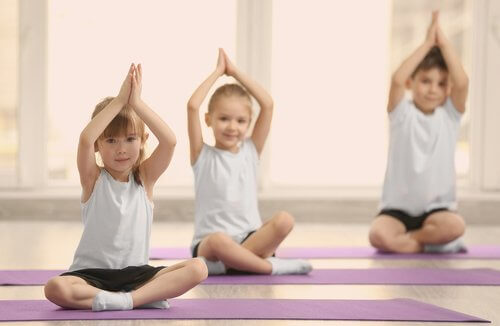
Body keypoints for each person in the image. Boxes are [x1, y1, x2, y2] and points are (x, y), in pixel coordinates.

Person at [44, 64, 207, 311]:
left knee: (198, 268)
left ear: (143, 142)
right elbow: (85, 139)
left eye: (130, 139)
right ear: (99, 145)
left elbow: (170, 141)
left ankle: (125, 301)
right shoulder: (93, 179)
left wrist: (137, 103)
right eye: (111, 140)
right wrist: (120, 100)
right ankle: (136, 299)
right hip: (90, 276)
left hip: (137, 276)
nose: (121, 149)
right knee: (55, 288)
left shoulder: (145, 178)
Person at [187, 48, 312, 275]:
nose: (232, 127)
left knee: (285, 220)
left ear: (249, 122)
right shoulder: (201, 155)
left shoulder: (250, 151)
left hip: (250, 236)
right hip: (210, 245)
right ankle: (269, 267)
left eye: (240, 120)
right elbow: (192, 106)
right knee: (219, 241)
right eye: (224, 119)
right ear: (209, 119)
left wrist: (235, 72)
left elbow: (268, 104)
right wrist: (217, 73)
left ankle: (231, 264)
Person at [369, 11, 468, 254]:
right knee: (378, 235)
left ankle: (412, 240)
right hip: (397, 212)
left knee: (455, 225)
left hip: (437, 211)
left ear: (448, 89)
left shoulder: (449, 116)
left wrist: (443, 44)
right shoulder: (401, 114)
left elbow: (463, 82)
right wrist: (426, 45)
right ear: (411, 84)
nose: (433, 89)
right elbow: (396, 78)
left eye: (441, 83)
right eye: (425, 81)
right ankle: (431, 243)